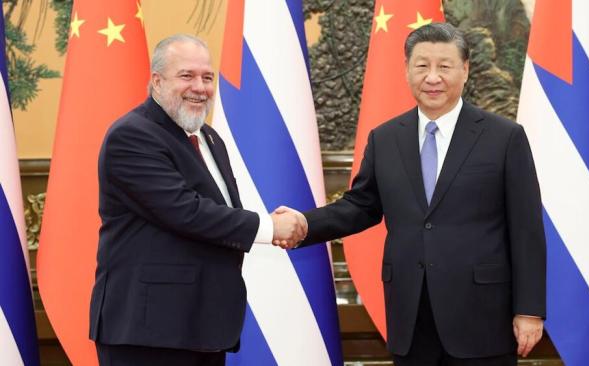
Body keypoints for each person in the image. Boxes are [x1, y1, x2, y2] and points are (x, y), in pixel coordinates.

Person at [275, 23, 546, 365]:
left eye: (444, 66)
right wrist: (303, 222)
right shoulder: (385, 138)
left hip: (482, 317)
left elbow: (527, 230)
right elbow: (361, 206)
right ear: (406, 70)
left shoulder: (504, 137)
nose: (432, 77)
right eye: (422, 66)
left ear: (465, 70)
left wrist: (529, 310)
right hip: (411, 315)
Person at [89, 34, 304, 366]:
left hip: (201, 326)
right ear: (157, 81)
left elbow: (218, 213)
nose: (200, 87)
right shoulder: (132, 135)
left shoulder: (208, 137)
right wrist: (269, 227)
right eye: (186, 75)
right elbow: (185, 211)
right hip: (148, 333)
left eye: (208, 77)